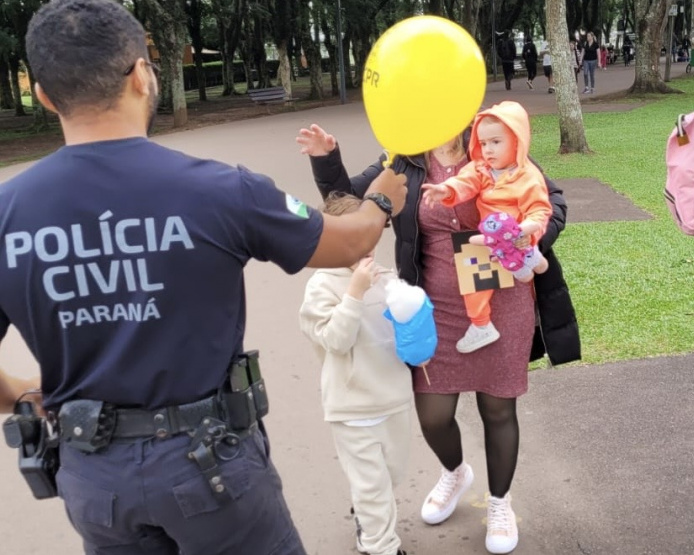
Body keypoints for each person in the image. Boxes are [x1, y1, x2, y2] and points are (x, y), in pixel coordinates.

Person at [0, 0, 407, 553]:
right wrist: (384, 195)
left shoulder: (6, 213)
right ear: (143, 75)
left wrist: (23, 391)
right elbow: (351, 242)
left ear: (44, 95)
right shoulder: (219, 189)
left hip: (94, 479)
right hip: (209, 466)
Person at [297, 118, 579, 554]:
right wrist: (325, 157)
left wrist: (530, 237)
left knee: (498, 409)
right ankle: (455, 473)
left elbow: (551, 200)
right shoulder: (406, 159)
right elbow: (350, 203)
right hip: (437, 308)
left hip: (501, 298)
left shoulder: (489, 142)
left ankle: (499, 502)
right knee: (433, 414)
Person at [298, 193, 412, 555]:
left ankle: (367, 513)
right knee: (373, 487)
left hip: (393, 398)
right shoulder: (321, 286)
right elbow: (335, 339)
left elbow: (403, 329)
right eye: (354, 240)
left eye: (371, 237)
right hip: (352, 407)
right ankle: (381, 546)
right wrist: (355, 293)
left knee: (391, 476)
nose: (365, 248)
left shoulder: (386, 277)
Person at [421, 101, 551, 354]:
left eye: (496, 142)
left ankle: (529, 256)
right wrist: (445, 189)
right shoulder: (482, 169)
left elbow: (540, 209)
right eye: (483, 144)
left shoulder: (528, 176)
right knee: (475, 267)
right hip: (491, 239)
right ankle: (481, 325)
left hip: (517, 234)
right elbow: (464, 182)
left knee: (479, 264)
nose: (488, 150)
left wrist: (528, 230)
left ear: (517, 140)